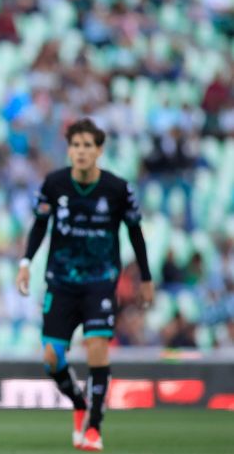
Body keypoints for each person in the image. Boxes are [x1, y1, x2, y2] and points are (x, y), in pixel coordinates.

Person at [16, 118, 154, 452]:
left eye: (87, 146)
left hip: (100, 283)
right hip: (60, 283)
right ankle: (79, 402)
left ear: (99, 150)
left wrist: (146, 277)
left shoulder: (118, 189)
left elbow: (135, 231)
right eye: (75, 145)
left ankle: (94, 427)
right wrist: (26, 263)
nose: (81, 152)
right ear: (69, 150)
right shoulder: (54, 183)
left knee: (96, 347)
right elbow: (39, 226)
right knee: (51, 357)